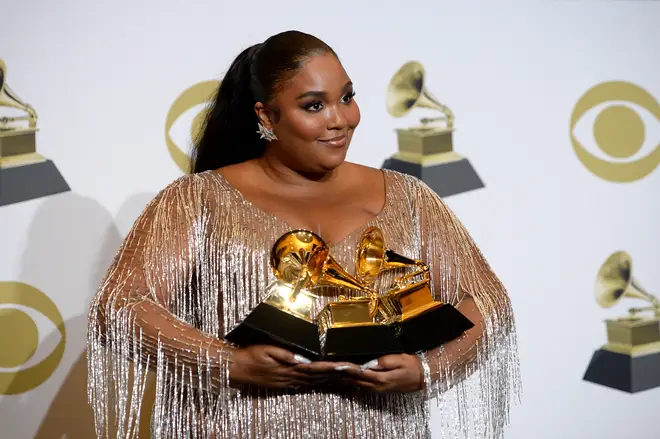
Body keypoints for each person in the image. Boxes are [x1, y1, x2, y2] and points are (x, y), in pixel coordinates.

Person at [87, 30, 520, 439]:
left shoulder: (410, 197)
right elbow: (120, 306)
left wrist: (426, 370)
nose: (340, 120)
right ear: (267, 116)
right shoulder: (197, 199)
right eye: (314, 106)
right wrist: (229, 363)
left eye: (347, 97)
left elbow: (487, 302)